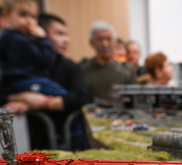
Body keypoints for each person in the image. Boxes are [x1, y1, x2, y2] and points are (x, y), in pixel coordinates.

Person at [1, 13, 89, 150]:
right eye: (59, 34)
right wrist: (21, 98)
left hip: (65, 144)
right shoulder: (18, 66)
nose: (66, 40)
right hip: (26, 145)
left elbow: (81, 97)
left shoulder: (69, 66)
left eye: (66, 34)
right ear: (38, 33)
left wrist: (42, 103)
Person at [0, 0, 68, 97]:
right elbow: (47, 60)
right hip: (26, 82)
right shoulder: (20, 40)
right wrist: (43, 38)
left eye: (33, 17)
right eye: (22, 15)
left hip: (14, 84)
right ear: (6, 15)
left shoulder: (7, 37)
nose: (29, 21)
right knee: (64, 96)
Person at [79, 21, 137, 101]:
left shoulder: (127, 71)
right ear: (91, 43)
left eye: (109, 39)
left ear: (115, 42)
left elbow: (136, 101)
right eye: (100, 39)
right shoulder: (82, 69)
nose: (105, 44)